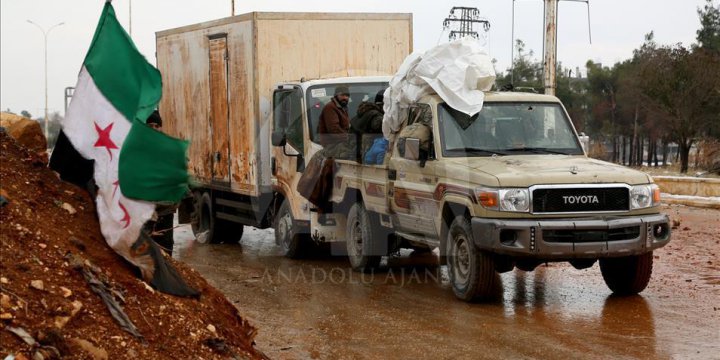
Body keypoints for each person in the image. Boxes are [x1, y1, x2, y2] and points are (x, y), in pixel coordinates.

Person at [143, 110, 177, 255]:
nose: (154, 129)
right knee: (147, 249)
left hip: (166, 208)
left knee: (166, 248)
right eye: (150, 125)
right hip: (145, 209)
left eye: (157, 125)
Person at [351, 89, 386, 162]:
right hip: (365, 154)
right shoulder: (376, 116)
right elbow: (381, 129)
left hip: (354, 152)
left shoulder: (365, 113)